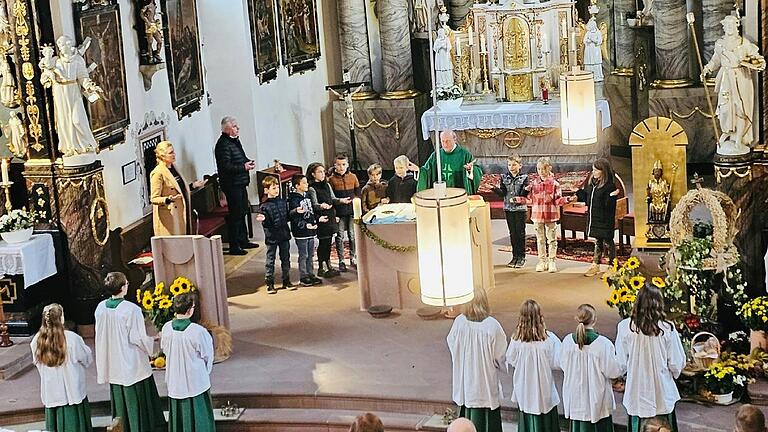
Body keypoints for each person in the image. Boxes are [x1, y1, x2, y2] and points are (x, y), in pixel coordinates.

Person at [95, 272, 165, 432]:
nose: (128, 285)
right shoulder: (131, 310)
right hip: (130, 360)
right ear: (122, 287)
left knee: (119, 389)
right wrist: (152, 340)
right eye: (126, 283)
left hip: (112, 359)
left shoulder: (100, 308)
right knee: (136, 392)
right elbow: (137, 338)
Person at [616, 284, 686, 432]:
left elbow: (620, 363)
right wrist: (674, 374)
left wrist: (617, 377)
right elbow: (676, 363)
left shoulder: (625, 327)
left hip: (637, 390)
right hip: (662, 390)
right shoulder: (667, 329)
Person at [701, 15, 765, 155]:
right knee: (725, 109)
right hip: (725, 79)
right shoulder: (720, 44)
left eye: (732, 25)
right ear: (723, 27)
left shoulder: (743, 43)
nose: (730, 27)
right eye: (727, 25)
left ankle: (738, 139)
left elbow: (756, 57)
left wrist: (760, 63)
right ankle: (727, 133)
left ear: (737, 26)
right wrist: (706, 69)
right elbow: (715, 61)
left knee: (740, 109)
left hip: (741, 79)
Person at [447, 288, 507, 432]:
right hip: (484, 382)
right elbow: (500, 355)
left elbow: (452, 345)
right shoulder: (492, 325)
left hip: (466, 381)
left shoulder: (459, 322)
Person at [31, 303, 93, 432]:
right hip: (72, 393)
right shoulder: (72, 339)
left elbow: (38, 365)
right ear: (62, 318)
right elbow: (86, 359)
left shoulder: (36, 341)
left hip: (52, 392)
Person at [560, 304, 622, 432]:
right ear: (594, 320)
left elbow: (563, 365)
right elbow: (613, 371)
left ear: (576, 319)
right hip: (597, 401)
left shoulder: (567, 342)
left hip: (576, 398)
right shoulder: (603, 343)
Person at [161, 293, 215, 432]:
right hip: (195, 381)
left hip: (175, 380)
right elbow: (208, 355)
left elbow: (165, 350)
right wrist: (204, 373)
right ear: (190, 310)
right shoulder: (198, 332)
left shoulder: (166, 328)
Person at [39, 35, 102, 157]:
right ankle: (70, 147)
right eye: (60, 46)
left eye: (64, 45)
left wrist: (90, 86)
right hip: (59, 92)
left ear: (69, 45)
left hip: (73, 90)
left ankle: (87, 144)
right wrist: (48, 75)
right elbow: (44, 76)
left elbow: (83, 77)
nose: (62, 48)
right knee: (64, 121)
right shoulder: (55, 61)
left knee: (78, 119)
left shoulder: (78, 60)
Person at [506, 299, 561, 432]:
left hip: (525, 388)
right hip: (544, 388)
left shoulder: (516, 340)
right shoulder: (549, 339)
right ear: (540, 316)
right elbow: (558, 362)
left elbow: (511, 359)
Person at [518, 157, 573, 273]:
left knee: (552, 239)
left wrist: (568, 199)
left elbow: (558, 200)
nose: (541, 171)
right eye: (538, 169)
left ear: (549, 168)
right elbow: (529, 199)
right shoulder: (534, 184)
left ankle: (552, 260)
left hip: (550, 215)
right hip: (537, 215)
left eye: (543, 168)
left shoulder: (555, 184)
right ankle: (542, 261)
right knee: (540, 239)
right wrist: (520, 199)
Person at [215, 116, 259, 255]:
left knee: (243, 211)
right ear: (227, 129)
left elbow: (240, 157)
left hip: (240, 183)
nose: (237, 128)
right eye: (234, 126)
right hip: (232, 184)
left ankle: (243, 240)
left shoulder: (233, 142)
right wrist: (243, 167)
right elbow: (226, 166)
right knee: (235, 215)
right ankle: (235, 245)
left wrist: (247, 162)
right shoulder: (223, 144)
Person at [576, 158, 620, 277]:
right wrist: (577, 193)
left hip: (605, 220)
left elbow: (608, 206)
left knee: (608, 242)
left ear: (603, 171)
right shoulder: (592, 184)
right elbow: (587, 198)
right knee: (598, 242)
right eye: (593, 170)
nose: (593, 172)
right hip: (594, 218)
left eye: (596, 170)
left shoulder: (609, 186)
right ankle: (596, 264)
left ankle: (612, 265)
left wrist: (612, 197)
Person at [411, 130, 483, 194]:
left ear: (454, 140)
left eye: (447, 141)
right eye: (443, 141)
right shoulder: (436, 155)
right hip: (441, 194)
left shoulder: (464, 154)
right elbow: (427, 171)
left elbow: (477, 171)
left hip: (459, 195)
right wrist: (418, 170)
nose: (445, 144)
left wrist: (471, 170)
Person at [257, 176, 295, 294]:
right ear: (266, 190)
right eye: (273, 188)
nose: (277, 190)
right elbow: (267, 222)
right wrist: (263, 219)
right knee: (270, 260)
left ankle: (286, 280)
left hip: (284, 235)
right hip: (272, 237)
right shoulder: (264, 206)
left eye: (277, 187)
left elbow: (287, 216)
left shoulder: (282, 202)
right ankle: (270, 283)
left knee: (286, 258)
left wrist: (295, 211)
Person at [308, 162, 345, 278]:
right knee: (323, 243)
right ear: (313, 174)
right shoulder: (312, 188)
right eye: (319, 172)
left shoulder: (327, 185)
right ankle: (320, 266)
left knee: (329, 243)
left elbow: (333, 199)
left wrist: (341, 201)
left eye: (323, 171)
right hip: (321, 218)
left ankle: (329, 265)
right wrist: (321, 206)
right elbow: (314, 204)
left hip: (330, 216)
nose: (323, 174)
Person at [491, 154, 529, 268]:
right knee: (512, 233)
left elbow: (523, 194)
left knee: (520, 233)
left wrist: (526, 190)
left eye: (514, 164)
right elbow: (502, 193)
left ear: (520, 165)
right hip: (508, 208)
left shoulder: (524, 177)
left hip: (520, 209)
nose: (511, 167)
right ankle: (514, 257)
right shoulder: (504, 177)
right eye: (509, 165)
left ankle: (521, 257)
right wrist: (493, 188)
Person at [288, 173, 324, 287]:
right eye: (304, 183)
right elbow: (293, 216)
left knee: (311, 254)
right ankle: (303, 276)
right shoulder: (293, 199)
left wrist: (317, 220)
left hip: (311, 230)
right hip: (301, 232)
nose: (307, 184)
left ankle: (311, 274)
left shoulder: (307, 196)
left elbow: (311, 212)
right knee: (303, 255)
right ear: (297, 185)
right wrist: (304, 225)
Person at [150, 141, 190, 236]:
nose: (174, 155)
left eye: (173, 152)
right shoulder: (158, 173)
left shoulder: (174, 168)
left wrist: (193, 186)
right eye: (170, 153)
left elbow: (179, 188)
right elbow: (154, 198)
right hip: (170, 215)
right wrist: (168, 199)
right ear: (163, 156)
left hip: (181, 211)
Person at [328, 153, 359, 272]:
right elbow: (331, 197)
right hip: (339, 213)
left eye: (344, 164)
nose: (341, 167)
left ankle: (353, 257)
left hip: (351, 211)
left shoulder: (353, 177)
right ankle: (341, 261)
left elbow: (357, 193)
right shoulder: (331, 180)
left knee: (352, 235)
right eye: (339, 165)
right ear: (335, 165)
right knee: (340, 236)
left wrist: (356, 208)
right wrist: (334, 213)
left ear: (347, 165)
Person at [583, 17, 604, 82]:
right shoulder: (588, 33)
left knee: (596, 62)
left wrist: (594, 40)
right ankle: (588, 75)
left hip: (595, 49)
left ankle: (597, 76)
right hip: (589, 49)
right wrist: (587, 41)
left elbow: (600, 41)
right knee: (589, 62)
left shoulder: (598, 32)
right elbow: (584, 40)